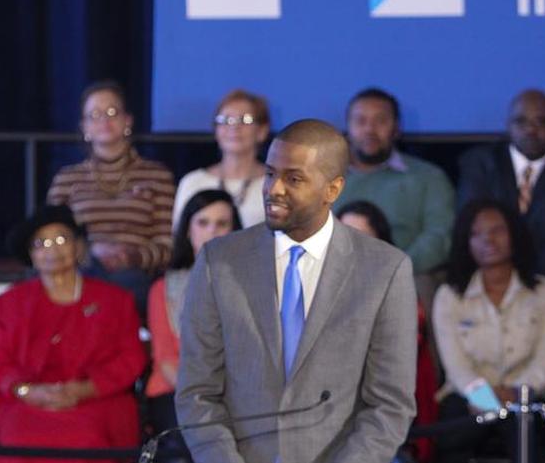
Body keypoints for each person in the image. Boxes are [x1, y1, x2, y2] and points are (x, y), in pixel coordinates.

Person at [176, 119, 417, 463]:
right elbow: (197, 392)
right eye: (271, 173)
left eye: (294, 179)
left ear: (332, 190)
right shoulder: (219, 261)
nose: (274, 189)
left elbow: (389, 405)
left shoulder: (384, 270)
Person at [0, 205, 147, 463]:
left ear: (77, 247)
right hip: (28, 403)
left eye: (61, 239)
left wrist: (83, 389)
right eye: (42, 243)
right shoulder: (9, 303)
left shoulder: (114, 300)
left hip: (94, 399)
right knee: (17, 440)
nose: (53, 249)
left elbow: (130, 359)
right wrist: (28, 392)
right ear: (31, 255)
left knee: (87, 439)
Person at [431, 199, 545, 463]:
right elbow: (456, 367)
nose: (488, 240)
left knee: (528, 438)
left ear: (514, 234)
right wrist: (485, 398)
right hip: (467, 396)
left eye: (497, 230)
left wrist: (516, 395)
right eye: (476, 234)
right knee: (452, 438)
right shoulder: (450, 296)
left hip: (527, 397)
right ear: (465, 242)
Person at [46, 80, 177, 310]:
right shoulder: (67, 179)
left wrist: (130, 257)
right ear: (84, 127)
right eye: (95, 115)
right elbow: (51, 238)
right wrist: (88, 253)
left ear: (127, 121)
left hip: (135, 276)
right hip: (81, 269)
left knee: (125, 288)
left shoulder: (157, 176)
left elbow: (168, 244)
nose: (104, 120)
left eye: (112, 112)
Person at [457, 89, 545, 294]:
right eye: (521, 122)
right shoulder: (479, 164)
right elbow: (472, 226)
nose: (531, 130)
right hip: (488, 274)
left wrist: (523, 279)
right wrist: (502, 276)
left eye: (541, 122)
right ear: (508, 126)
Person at [337, 199, 439, 463]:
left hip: (381, 415)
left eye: (362, 238)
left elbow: (395, 368)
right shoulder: (311, 287)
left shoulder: (398, 290)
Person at [146, 190, 243, 443]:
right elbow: (166, 360)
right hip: (176, 390)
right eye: (203, 223)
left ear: (235, 231)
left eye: (222, 224)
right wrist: (203, 399)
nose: (212, 231)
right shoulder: (163, 288)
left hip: (235, 394)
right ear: (188, 230)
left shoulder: (252, 284)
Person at [333, 88, 455, 278]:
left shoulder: (428, 177)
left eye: (380, 121)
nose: (369, 129)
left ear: (397, 128)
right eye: (360, 121)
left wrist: (394, 272)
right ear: (347, 128)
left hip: (408, 278)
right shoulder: (326, 178)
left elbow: (439, 236)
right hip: (336, 278)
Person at [172, 89, 270, 228]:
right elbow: (179, 238)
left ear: (262, 130)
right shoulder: (192, 182)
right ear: (216, 129)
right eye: (225, 120)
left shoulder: (274, 184)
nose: (234, 127)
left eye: (245, 120)